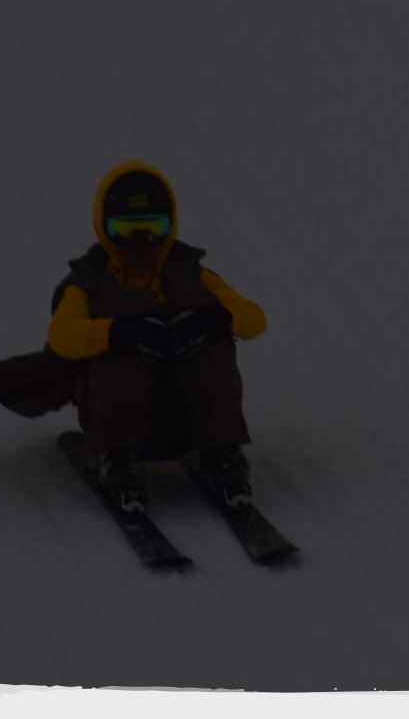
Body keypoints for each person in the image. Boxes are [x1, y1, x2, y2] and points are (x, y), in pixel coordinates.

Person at [45, 160, 268, 513]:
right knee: (133, 302)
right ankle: (117, 457)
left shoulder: (188, 271)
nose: (141, 242)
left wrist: (219, 319)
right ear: (105, 229)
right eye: (126, 230)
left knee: (197, 303)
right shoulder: (89, 281)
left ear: (169, 226)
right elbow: (61, 335)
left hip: (186, 423)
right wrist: (114, 333)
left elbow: (255, 317)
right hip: (113, 418)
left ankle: (221, 451)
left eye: (152, 228)